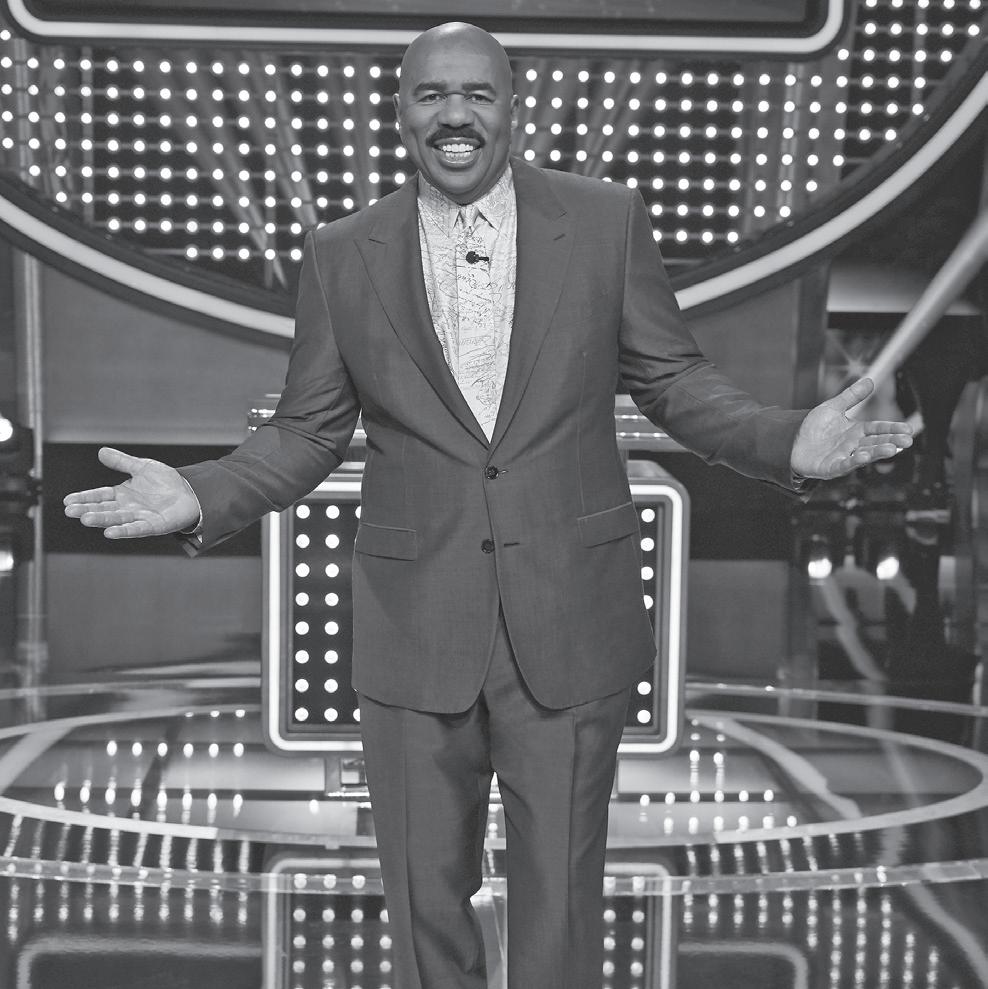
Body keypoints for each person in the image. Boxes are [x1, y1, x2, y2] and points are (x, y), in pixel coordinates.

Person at [64, 22, 912, 989]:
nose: (454, 114)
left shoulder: (604, 221)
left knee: (559, 913)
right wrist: (201, 492)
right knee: (425, 910)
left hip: (569, 615)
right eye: (431, 95)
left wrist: (784, 439)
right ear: (400, 112)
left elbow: (674, 379)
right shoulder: (343, 252)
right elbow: (306, 430)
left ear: (513, 108)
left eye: (477, 93)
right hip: (415, 624)